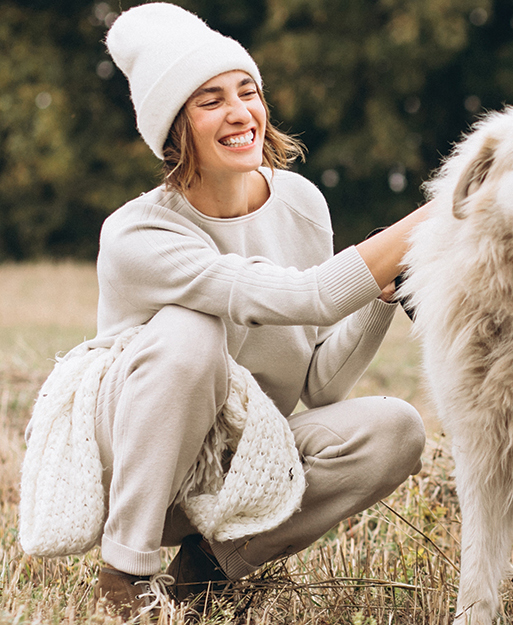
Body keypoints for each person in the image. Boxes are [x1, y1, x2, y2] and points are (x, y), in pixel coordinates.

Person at [86, 3, 428, 615]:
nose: (240, 112)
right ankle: (126, 570)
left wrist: (379, 298)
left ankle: (207, 570)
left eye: (248, 91)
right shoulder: (139, 234)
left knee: (396, 427)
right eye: (210, 100)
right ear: (174, 128)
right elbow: (311, 296)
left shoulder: (300, 202)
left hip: (242, 466)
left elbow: (320, 385)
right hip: (141, 477)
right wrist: (437, 211)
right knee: (191, 332)